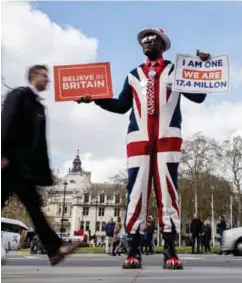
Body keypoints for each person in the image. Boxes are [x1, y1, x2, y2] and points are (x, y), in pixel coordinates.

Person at [76, 28, 210, 269]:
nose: (147, 42)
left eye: (153, 39)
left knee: (168, 193)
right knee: (135, 192)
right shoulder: (133, 75)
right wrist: (95, 98)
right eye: (144, 40)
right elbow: (120, 106)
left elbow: (199, 96)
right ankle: (133, 251)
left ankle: (170, 250)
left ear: (163, 45)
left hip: (168, 137)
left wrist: (201, 69)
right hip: (138, 139)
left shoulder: (175, 71)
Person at [1, 65, 80, 265]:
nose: (48, 80)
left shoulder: (38, 106)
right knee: (33, 207)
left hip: (22, 168)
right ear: (33, 76)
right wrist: (2, 153)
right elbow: (6, 122)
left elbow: (39, 144)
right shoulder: (19, 96)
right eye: (44, 76)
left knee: (34, 207)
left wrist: (43, 173)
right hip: (9, 162)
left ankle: (54, 249)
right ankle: (54, 249)